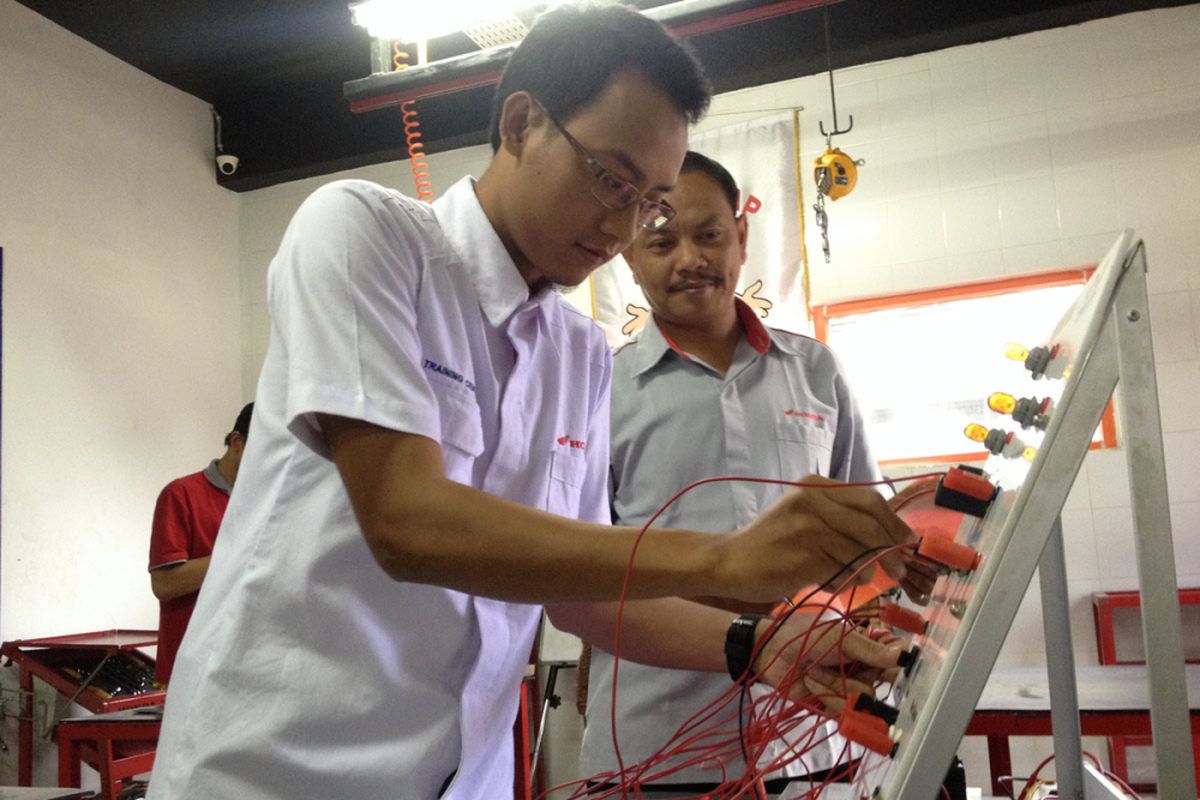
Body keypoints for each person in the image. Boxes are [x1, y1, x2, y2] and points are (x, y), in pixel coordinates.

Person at [147, 7, 914, 800]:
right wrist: (726, 558)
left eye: (646, 201)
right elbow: (407, 520)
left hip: (463, 780)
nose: (622, 227)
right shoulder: (367, 235)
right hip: (278, 774)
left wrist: (759, 645)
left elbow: (580, 596)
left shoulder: (577, 355)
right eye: (611, 180)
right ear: (522, 123)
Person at [576, 152, 937, 793]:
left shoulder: (817, 373)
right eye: (660, 241)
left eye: (709, 234)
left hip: (811, 739)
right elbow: (582, 577)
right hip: (656, 744)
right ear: (629, 256)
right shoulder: (598, 392)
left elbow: (870, 547)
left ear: (741, 237)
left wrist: (906, 559)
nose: (689, 258)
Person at [147, 402, 253, 684]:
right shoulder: (181, 494)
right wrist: (241, 552)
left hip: (249, 667)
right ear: (237, 442)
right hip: (194, 670)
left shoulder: (268, 502)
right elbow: (165, 585)